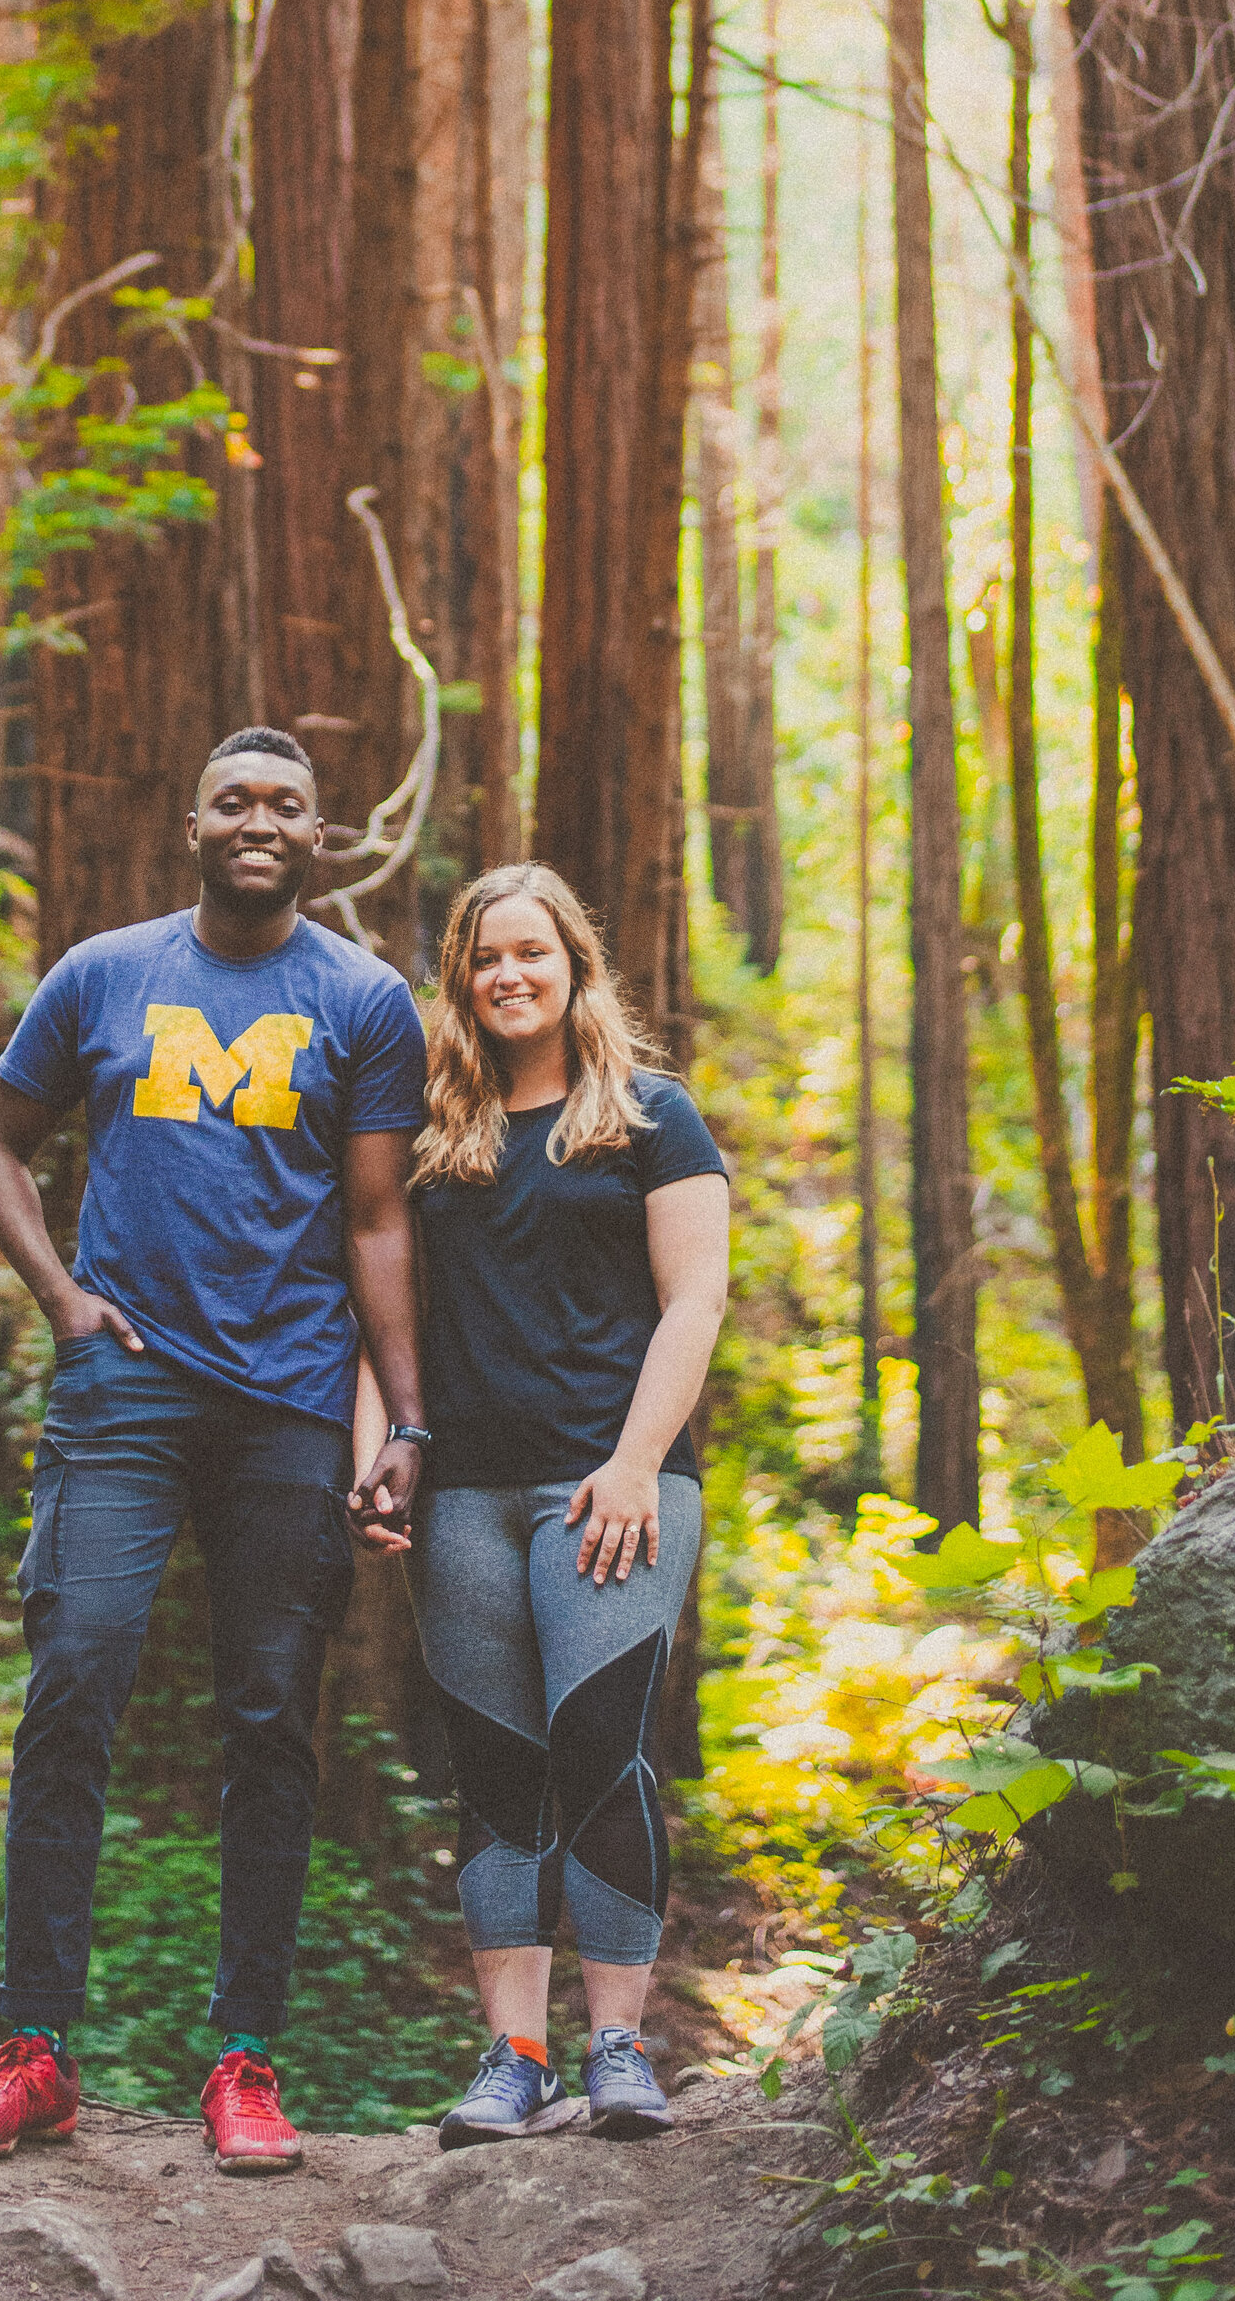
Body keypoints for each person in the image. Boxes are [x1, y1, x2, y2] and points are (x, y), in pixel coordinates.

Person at [0, 728, 428, 2179]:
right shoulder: (101, 972)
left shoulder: (364, 999)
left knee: (272, 1717)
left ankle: (246, 2064)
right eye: (232, 799)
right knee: (75, 1676)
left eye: (283, 803)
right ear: (190, 818)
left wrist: (404, 1420)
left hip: (285, 1403)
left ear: (319, 833)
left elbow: (380, 1220)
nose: (257, 820)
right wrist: (64, 1299)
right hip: (121, 1395)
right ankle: (36, 2054)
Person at [377, 861, 730, 2149]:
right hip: (463, 1492)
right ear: (462, 983)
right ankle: (513, 2058)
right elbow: (383, 1313)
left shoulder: (652, 1116)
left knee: (597, 1750)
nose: (509, 975)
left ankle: (622, 2046)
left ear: (577, 966)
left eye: (534, 952)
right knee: (496, 1768)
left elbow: (695, 1299)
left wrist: (637, 1462)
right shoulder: (431, 1133)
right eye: (485, 958)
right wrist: (386, 1450)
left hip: (611, 1490)